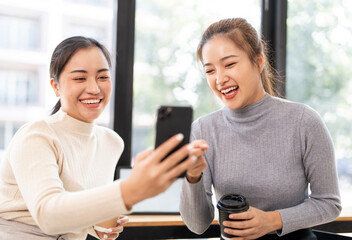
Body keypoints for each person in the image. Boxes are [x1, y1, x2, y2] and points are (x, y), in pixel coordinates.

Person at [0, 36, 208, 240]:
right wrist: (130, 190)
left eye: (102, 77)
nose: (94, 88)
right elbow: (48, 215)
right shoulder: (36, 135)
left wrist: (98, 225)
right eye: (80, 78)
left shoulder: (111, 142)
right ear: (55, 86)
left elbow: (81, 211)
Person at [180, 18, 341, 240]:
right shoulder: (203, 130)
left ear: (259, 60)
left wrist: (272, 221)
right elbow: (197, 225)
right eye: (210, 71)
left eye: (229, 64)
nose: (220, 79)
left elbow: (329, 203)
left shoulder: (304, 121)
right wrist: (192, 177)